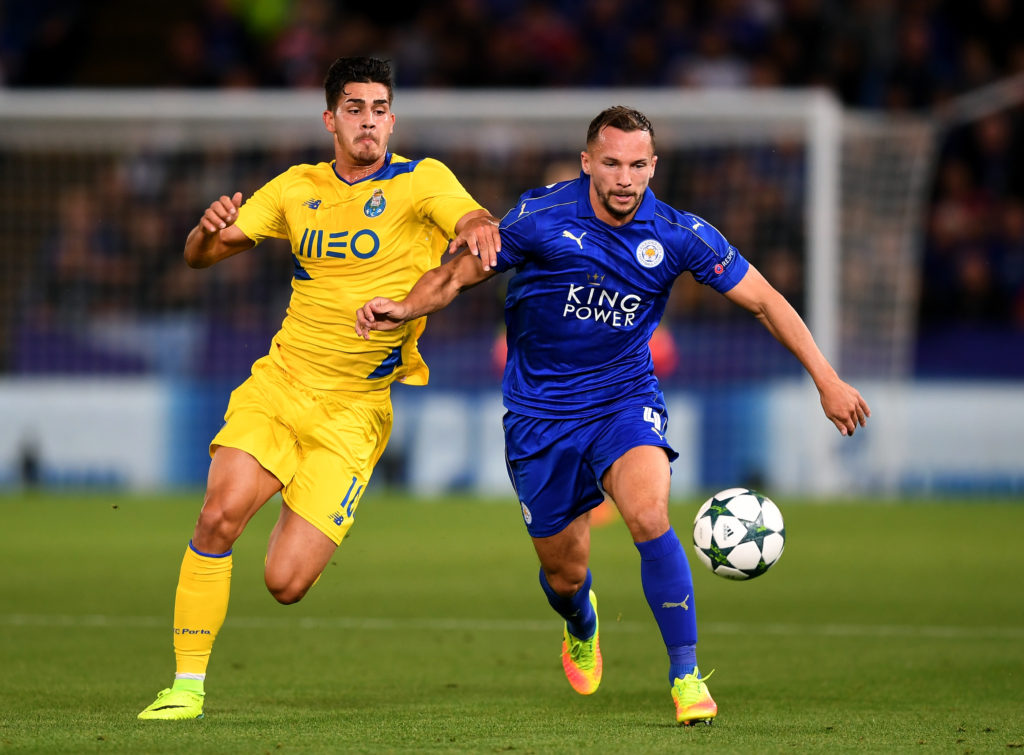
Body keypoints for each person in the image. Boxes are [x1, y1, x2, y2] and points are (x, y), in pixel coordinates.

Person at [355, 106, 870, 725]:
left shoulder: (679, 233)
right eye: (611, 164)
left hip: (624, 399)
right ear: (587, 163)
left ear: (653, 167)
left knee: (649, 515)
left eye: (637, 165)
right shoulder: (539, 218)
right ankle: (581, 621)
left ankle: (686, 676)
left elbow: (763, 299)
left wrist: (827, 379)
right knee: (565, 574)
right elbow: (453, 277)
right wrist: (405, 307)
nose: (625, 179)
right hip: (540, 416)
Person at [138, 56, 500, 721]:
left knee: (285, 582)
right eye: (355, 109)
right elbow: (201, 256)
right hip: (280, 385)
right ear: (331, 119)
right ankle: (185, 686)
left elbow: (469, 217)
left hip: (354, 412)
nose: (369, 122)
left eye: (380, 109)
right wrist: (204, 230)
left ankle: (298, 489)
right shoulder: (294, 187)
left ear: (393, 119)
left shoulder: (421, 180)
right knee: (218, 515)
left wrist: (477, 225)